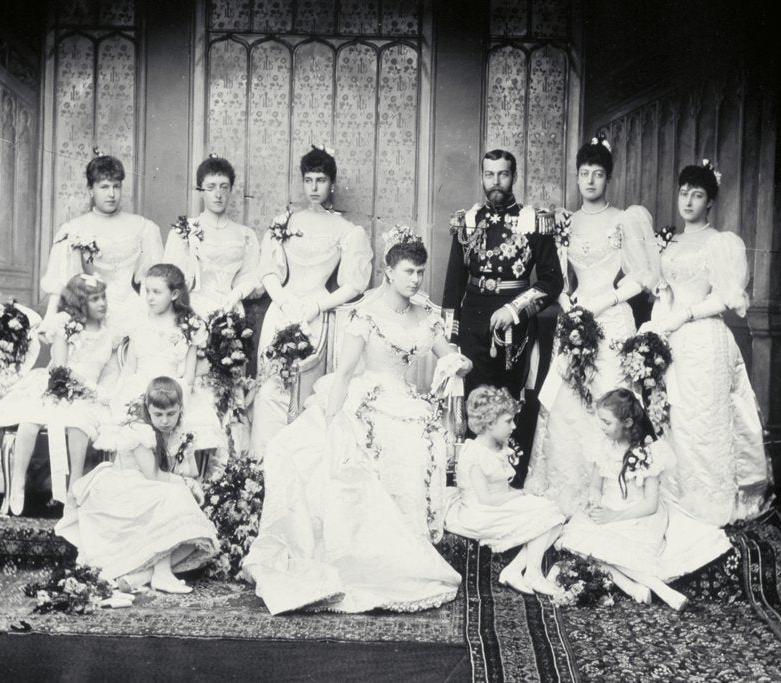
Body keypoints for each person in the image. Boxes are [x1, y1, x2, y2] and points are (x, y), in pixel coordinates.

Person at [242, 228, 468, 615]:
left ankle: (408, 548)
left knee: (420, 440)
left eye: (419, 272)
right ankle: (369, 555)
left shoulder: (428, 315)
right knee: (336, 451)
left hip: (406, 399)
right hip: (365, 397)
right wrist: (330, 420)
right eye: (408, 272)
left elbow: (450, 354)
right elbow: (345, 373)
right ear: (388, 271)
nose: (415, 280)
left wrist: (459, 365)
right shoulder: (366, 313)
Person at [524, 138, 657, 516]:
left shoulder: (623, 219)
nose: (590, 181)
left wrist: (604, 302)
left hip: (612, 318)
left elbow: (640, 277)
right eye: (584, 174)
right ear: (577, 177)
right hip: (577, 316)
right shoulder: (565, 222)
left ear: (608, 178)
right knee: (568, 403)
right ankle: (567, 486)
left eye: (598, 174)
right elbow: (557, 278)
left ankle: (615, 492)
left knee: (609, 396)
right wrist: (570, 306)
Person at [642, 161, 771, 526]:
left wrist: (684, 316)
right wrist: (656, 326)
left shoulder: (720, 242)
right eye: (684, 193)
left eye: (697, 195)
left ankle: (710, 501)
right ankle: (676, 495)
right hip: (671, 338)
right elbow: (663, 290)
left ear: (710, 202)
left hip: (704, 338)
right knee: (675, 417)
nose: (688, 201)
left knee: (704, 419)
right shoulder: (669, 241)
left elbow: (726, 298)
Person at [556, 389, 731, 610]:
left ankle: (659, 588)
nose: (601, 427)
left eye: (607, 422)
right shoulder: (602, 446)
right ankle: (634, 588)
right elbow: (595, 486)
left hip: (638, 514)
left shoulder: (649, 452)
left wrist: (614, 517)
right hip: (609, 509)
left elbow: (650, 504)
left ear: (627, 422)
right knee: (577, 542)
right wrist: (595, 502)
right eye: (600, 421)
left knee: (602, 547)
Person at [249, 147, 373, 457]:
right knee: (271, 385)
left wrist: (318, 305)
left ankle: (299, 463)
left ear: (332, 184)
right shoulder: (285, 221)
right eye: (308, 180)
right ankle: (264, 460)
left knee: (304, 386)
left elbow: (354, 284)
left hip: (316, 313)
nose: (314, 188)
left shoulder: (346, 230)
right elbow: (268, 271)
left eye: (321, 180)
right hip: (282, 308)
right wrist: (284, 300)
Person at [441, 149, 563, 462]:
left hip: (516, 329)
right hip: (472, 324)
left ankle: (511, 474)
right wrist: (450, 340)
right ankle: (475, 470)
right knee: (475, 399)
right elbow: (453, 286)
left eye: (503, 174)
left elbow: (552, 282)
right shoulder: (468, 222)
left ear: (514, 177)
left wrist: (514, 310)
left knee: (510, 401)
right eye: (489, 174)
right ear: (482, 177)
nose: (496, 182)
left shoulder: (534, 222)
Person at [56, 377, 220, 594]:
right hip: (122, 489)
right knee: (174, 495)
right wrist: (187, 483)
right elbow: (153, 476)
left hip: (151, 489)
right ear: (148, 410)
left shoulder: (181, 433)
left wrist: (187, 466)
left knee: (196, 534)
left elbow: (191, 473)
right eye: (158, 415)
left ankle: (143, 576)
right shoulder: (139, 430)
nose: (164, 421)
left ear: (180, 409)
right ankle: (160, 573)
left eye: (171, 414)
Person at [0, 274, 117, 515]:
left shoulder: (109, 333)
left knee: (79, 423)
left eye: (103, 297)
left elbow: (110, 370)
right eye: (95, 299)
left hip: (88, 393)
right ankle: (18, 484)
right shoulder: (67, 328)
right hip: (58, 383)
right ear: (79, 303)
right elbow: (61, 368)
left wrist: (99, 391)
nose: (102, 303)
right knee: (30, 420)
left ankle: (74, 488)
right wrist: (78, 384)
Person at [444, 386, 564, 595]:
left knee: (554, 515)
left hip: (496, 505)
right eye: (508, 421)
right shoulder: (475, 454)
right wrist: (522, 494)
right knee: (548, 514)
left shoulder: (498, 448)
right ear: (490, 423)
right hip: (479, 512)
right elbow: (487, 499)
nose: (514, 426)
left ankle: (517, 569)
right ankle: (533, 572)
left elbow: (502, 487)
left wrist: (526, 495)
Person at [41, 155, 163, 337]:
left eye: (116, 186)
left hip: (136, 309)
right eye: (104, 187)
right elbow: (62, 281)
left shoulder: (143, 227)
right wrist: (49, 319)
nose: (112, 194)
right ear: (91, 190)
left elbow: (150, 278)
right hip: (96, 311)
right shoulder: (74, 229)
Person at [116, 263, 225, 457]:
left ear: (174, 294)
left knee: (185, 420)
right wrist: (119, 393)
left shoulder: (189, 326)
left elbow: (189, 376)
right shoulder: (138, 322)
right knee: (131, 418)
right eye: (147, 291)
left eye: (157, 292)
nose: (150, 297)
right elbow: (130, 367)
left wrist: (174, 396)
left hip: (174, 388)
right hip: (139, 385)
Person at [162, 155, 263, 317]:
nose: (218, 194)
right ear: (201, 191)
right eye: (211, 187)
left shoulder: (245, 235)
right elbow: (170, 281)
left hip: (231, 312)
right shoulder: (184, 231)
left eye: (224, 187)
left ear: (230, 190)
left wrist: (236, 295)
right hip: (193, 313)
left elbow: (249, 276)